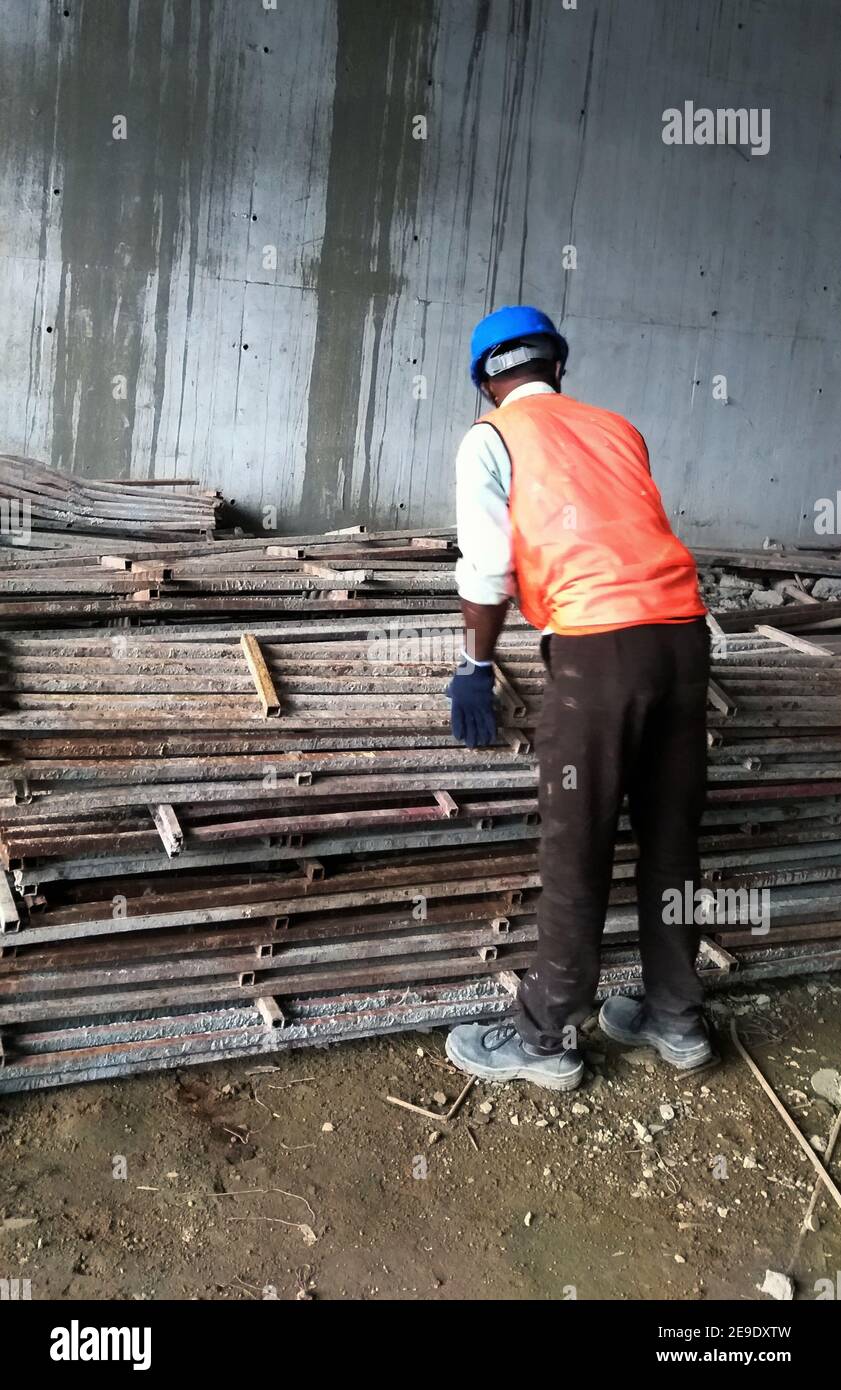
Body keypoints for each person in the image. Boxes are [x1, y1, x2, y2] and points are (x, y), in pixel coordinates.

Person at [444, 305, 714, 1092]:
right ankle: (676, 1018)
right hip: (685, 639)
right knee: (671, 841)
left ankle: (544, 1037)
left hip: (599, 651)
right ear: (558, 367)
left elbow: (488, 567)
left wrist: (473, 664)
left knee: (577, 844)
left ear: (485, 384)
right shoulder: (617, 427)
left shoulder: (489, 437)